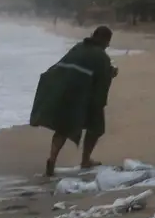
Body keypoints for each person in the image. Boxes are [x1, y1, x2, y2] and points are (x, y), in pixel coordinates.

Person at [29, 24, 118, 176]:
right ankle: (85, 160)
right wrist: (111, 74)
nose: (108, 45)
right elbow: (101, 81)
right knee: (96, 128)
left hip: (65, 93)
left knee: (62, 129)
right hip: (83, 97)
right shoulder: (101, 56)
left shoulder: (78, 48)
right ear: (104, 40)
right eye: (108, 41)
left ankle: (52, 160)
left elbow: (63, 68)